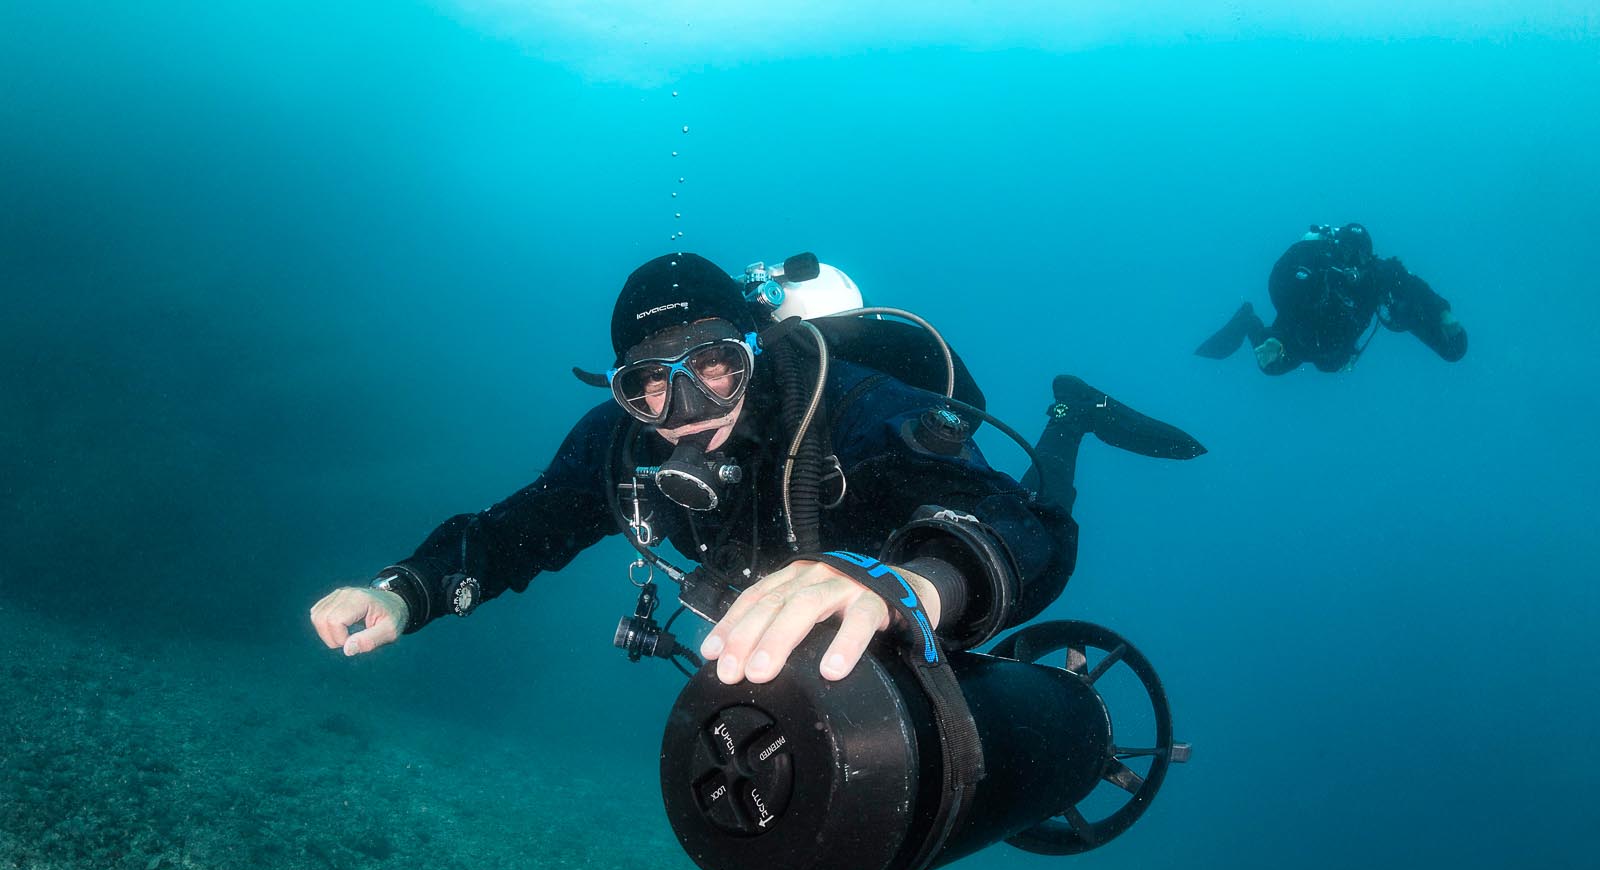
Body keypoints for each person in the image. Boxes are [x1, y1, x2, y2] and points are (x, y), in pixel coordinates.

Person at [311, 252, 1204, 686]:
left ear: (757, 351)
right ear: (623, 393)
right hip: (812, 596)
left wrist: (916, 585)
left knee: (1045, 494)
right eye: (648, 386)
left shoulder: (850, 406)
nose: (690, 412)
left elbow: (1027, 529)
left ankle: (1069, 415)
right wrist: (408, 590)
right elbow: (517, 530)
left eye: (713, 365)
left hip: (918, 542)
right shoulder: (622, 444)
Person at [1195, 222, 1468, 375]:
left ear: (1369, 256)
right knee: (1271, 367)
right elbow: (1290, 304)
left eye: (1360, 255)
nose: (1352, 263)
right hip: (1299, 335)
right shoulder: (1317, 270)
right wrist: (1277, 339)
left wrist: (1443, 312)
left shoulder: (1376, 274)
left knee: (1330, 364)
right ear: (1337, 251)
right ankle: (1248, 321)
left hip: (1334, 348)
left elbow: (1412, 285)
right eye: (1347, 253)